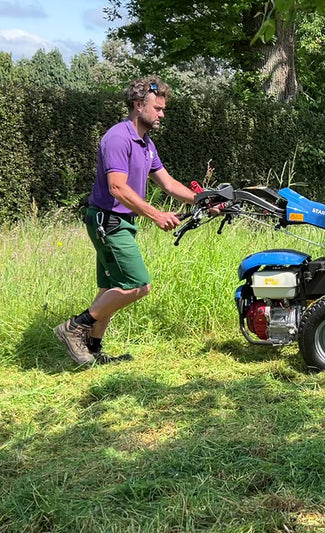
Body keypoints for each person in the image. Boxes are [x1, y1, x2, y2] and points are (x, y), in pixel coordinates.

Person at [54, 76, 200, 365]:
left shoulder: (146, 143)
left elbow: (168, 184)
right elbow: (117, 188)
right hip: (108, 222)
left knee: (110, 289)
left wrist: (203, 199)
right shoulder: (118, 138)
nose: (162, 114)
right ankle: (73, 327)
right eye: (157, 108)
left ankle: (93, 351)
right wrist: (157, 214)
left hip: (121, 223)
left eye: (163, 109)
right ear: (138, 105)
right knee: (137, 284)